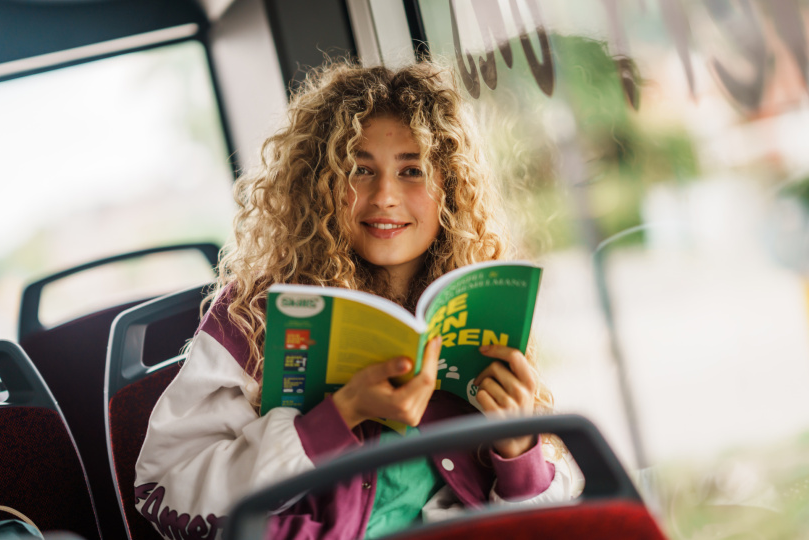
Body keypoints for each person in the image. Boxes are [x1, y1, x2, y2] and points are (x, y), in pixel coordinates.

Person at [134, 61, 577, 540]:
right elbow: (166, 490)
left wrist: (519, 451)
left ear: (450, 189)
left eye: (413, 171)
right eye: (359, 170)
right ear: (320, 184)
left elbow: (547, 518)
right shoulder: (252, 316)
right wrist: (338, 417)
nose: (385, 195)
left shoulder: (478, 305)